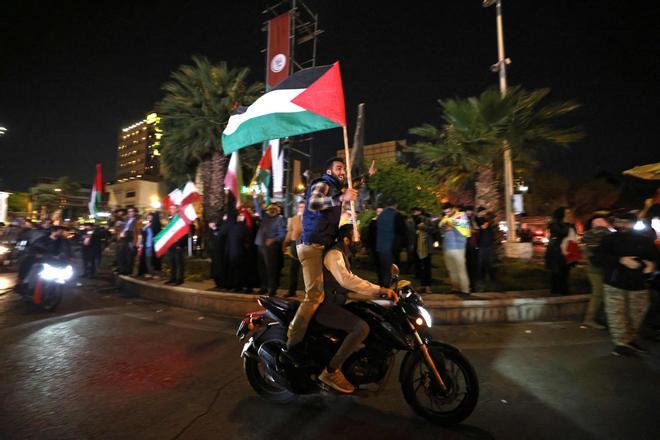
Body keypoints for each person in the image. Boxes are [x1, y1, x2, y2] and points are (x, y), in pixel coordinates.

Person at [316, 224, 397, 393]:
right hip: (325, 306)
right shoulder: (334, 254)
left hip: (336, 303)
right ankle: (330, 372)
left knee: (370, 316)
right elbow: (347, 280)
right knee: (361, 328)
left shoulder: (343, 254)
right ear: (346, 239)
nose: (358, 241)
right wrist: (378, 289)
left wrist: (376, 296)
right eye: (356, 237)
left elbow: (347, 287)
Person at [287, 156, 357, 349]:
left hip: (322, 244)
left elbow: (348, 186)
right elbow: (314, 203)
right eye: (339, 168)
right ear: (329, 171)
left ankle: (321, 331)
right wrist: (343, 198)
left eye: (344, 169)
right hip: (312, 245)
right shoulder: (322, 184)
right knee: (315, 295)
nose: (343, 172)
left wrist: (367, 176)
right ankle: (292, 343)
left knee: (333, 288)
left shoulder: (335, 186)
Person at [594, 212, 658, 356]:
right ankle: (621, 345)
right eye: (619, 222)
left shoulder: (645, 240)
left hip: (639, 284)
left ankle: (630, 341)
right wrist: (619, 260)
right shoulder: (608, 239)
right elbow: (597, 258)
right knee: (617, 316)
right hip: (615, 283)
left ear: (634, 224)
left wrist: (651, 266)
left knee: (636, 316)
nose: (622, 225)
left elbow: (654, 258)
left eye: (626, 222)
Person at [580, 214, 614, 329]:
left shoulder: (586, 235)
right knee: (599, 293)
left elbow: (585, 251)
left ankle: (599, 317)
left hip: (593, 267)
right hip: (603, 267)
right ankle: (590, 319)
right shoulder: (608, 234)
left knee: (600, 293)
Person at [255, 202, 286, 296]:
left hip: (271, 248)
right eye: (269, 209)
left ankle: (273, 288)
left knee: (271, 269)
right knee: (262, 268)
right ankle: (263, 287)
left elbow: (282, 234)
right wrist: (255, 198)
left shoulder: (279, 219)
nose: (271, 211)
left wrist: (273, 240)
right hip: (260, 245)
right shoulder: (265, 217)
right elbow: (258, 209)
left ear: (277, 211)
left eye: (273, 209)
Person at [439, 202, 471, 295]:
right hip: (447, 247)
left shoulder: (461, 215)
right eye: (445, 212)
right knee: (451, 269)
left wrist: (451, 222)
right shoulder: (446, 217)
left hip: (458, 247)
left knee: (461, 268)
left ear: (453, 208)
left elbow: (465, 229)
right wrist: (444, 224)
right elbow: (441, 226)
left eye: (449, 212)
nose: (447, 214)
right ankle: (456, 287)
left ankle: (465, 289)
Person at [545, 207, 578, 295]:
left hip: (567, 251)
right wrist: (569, 224)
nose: (569, 214)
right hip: (557, 252)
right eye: (567, 213)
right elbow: (563, 232)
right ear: (561, 214)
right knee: (557, 272)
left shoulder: (570, 224)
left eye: (569, 212)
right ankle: (557, 291)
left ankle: (564, 290)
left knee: (565, 272)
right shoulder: (554, 224)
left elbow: (573, 236)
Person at [376, 198, 406, 287]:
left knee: (383, 267)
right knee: (392, 268)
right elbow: (402, 230)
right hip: (392, 245)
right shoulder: (397, 215)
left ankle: (382, 286)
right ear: (395, 205)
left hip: (380, 245)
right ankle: (390, 288)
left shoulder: (381, 215)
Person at [283, 200, 305, 297]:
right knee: (293, 269)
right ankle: (292, 290)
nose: (301, 209)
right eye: (300, 207)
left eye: (303, 207)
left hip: (306, 245)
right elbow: (290, 231)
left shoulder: (310, 218)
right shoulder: (294, 219)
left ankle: (309, 292)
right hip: (294, 244)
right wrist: (285, 242)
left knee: (307, 270)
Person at [412, 207, 433, 293]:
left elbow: (433, 230)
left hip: (426, 247)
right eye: (414, 211)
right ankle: (423, 285)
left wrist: (425, 227)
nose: (415, 213)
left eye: (416, 211)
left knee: (426, 267)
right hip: (418, 247)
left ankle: (428, 286)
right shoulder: (414, 220)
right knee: (420, 267)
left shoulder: (426, 220)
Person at [165, 204, 186, 285]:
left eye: (173, 209)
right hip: (171, 244)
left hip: (178, 244)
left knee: (179, 262)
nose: (171, 210)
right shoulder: (170, 219)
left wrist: (180, 244)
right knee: (172, 262)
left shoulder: (180, 219)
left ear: (177, 210)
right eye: (170, 209)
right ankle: (172, 278)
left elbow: (183, 232)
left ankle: (180, 279)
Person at [476, 207, 496, 286]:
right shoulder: (478, 219)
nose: (485, 213)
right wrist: (489, 221)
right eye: (483, 212)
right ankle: (481, 277)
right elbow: (483, 227)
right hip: (482, 244)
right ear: (480, 212)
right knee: (482, 262)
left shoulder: (484, 219)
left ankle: (489, 277)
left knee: (488, 261)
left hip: (488, 244)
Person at [117, 207, 139, 275]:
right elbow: (122, 228)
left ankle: (128, 270)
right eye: (129, 211)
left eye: (131, 211)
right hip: (124, 239)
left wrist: (136, 242)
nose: (129, 213)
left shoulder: (137, 221)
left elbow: (137, 232)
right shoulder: (126, 220)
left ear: (135, 213)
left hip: (130, 239)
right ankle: (122, 269)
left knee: (129, 256)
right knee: (122, 255)